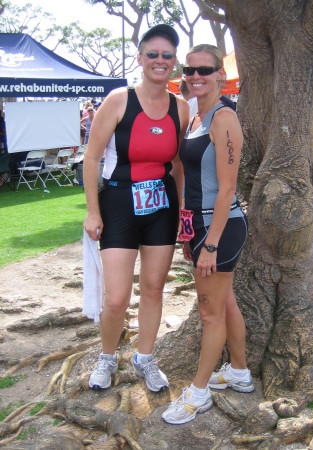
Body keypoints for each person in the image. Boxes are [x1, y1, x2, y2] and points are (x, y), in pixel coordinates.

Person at [83, 24, 189, 392]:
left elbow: (177, 165)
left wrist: (182, 211)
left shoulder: (181, 107)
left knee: (155, 287)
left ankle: (145, 358)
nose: (160, 61)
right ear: (141, 58)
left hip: (162, 206)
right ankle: (107, 358)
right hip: (118, 204)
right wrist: (92, 211)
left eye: (167, 56)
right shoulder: (118, 100)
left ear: (174, 63)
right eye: (153, 54)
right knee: (116, 298)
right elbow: (92, 158)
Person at [162, 44, 254, 425]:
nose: (196, 75)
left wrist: (210, 244)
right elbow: (190, 179)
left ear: (219, 73)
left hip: (222, 227)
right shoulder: (196, 118)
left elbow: (228, 189)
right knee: (225, 301)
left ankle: (197, 393)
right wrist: (188, 234)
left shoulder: (223, 119)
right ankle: (239, 371)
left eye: (204, 69)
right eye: (190, 69)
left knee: (209, 312)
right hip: (199, 225)